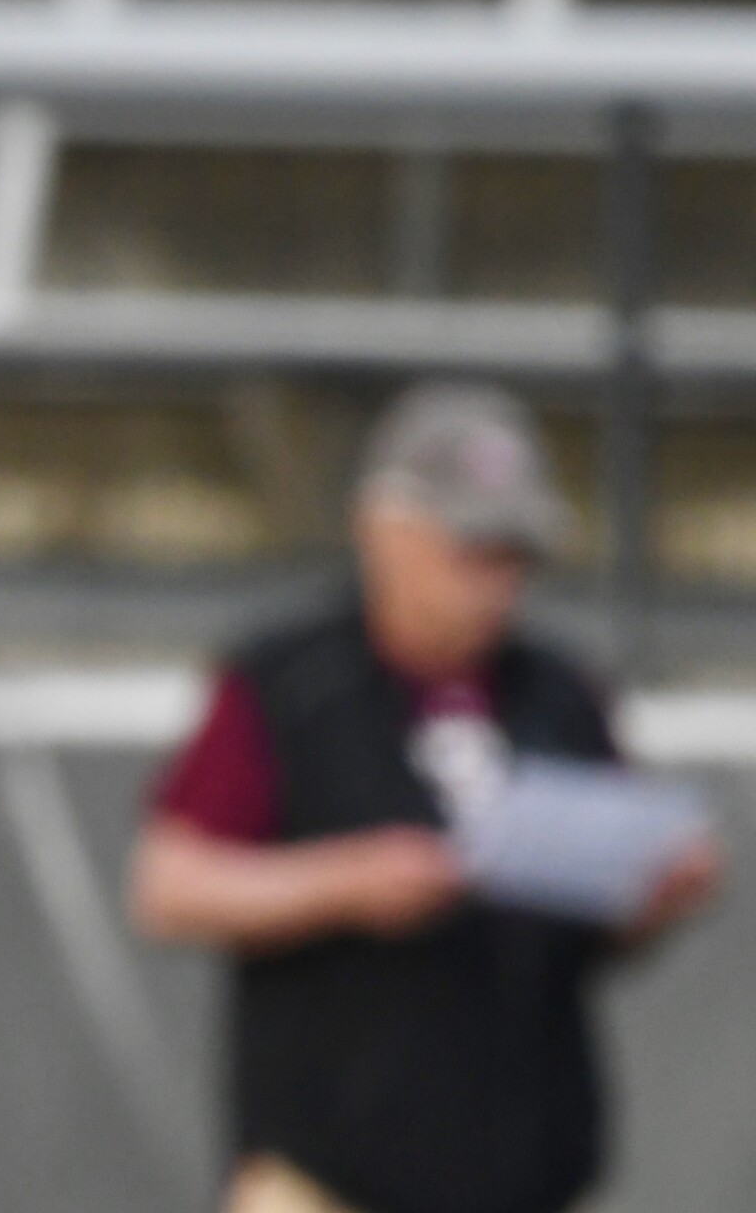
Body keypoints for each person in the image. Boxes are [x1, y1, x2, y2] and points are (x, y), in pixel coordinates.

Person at [128, 383, 723, 1213]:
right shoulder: (292, 682)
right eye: (469, 552)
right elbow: (169, 885)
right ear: (385, 532)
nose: (493, 585)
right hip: (327, 1168)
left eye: (513, 557)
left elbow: (602, 934)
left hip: (523, 1167)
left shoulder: (557, 692)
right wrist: (346, 883)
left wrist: (657, 890)